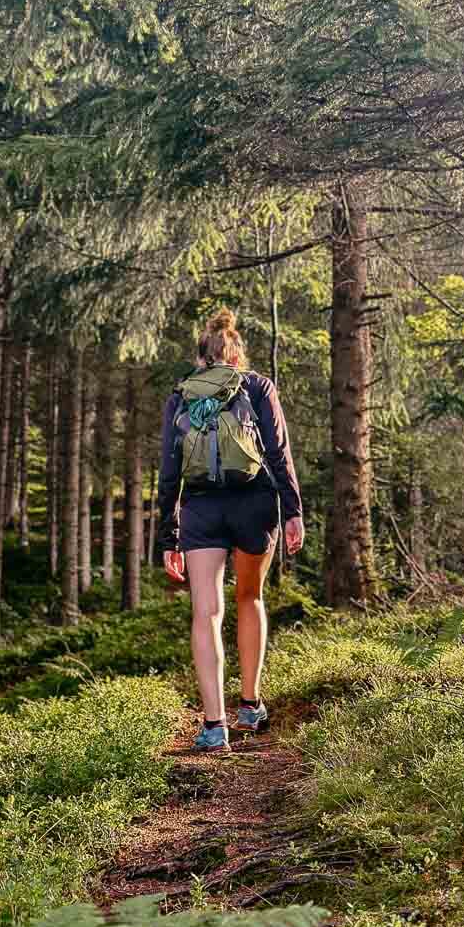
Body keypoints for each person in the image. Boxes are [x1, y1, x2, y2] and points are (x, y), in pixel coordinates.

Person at [158, 307, 304, 752]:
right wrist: (293, 509)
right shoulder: (257, 386)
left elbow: (168, 470)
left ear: (201, 358)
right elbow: (277, 452)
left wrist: (169, 533)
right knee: (251, 597)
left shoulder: (181, 396)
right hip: (254, 505)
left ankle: (214, 725)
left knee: (206, 613)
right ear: (238, 356)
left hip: (201, 510)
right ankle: (249, 704)